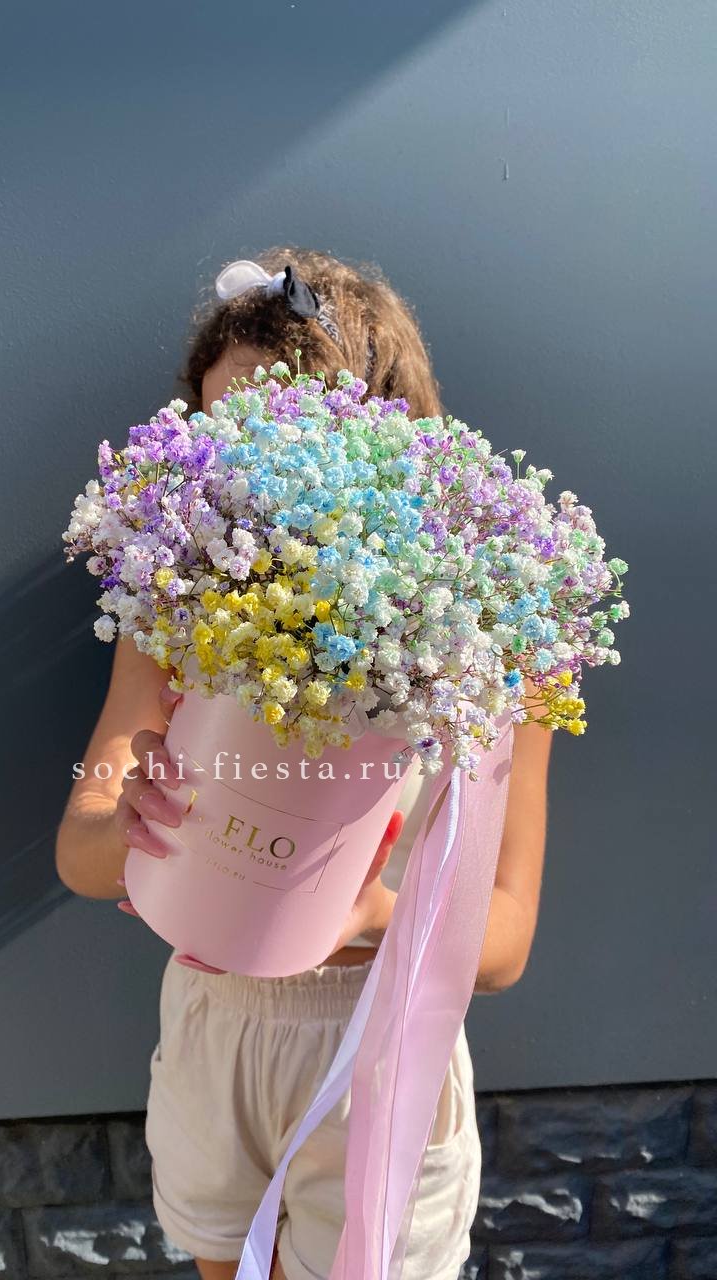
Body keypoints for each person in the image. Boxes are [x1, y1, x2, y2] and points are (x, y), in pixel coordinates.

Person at [55, 246, 553, 1280]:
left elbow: (504, 943)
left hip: (382, 1035)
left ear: (381, 421)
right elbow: (83, 851)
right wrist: (128, 828)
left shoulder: (499, 634)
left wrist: (373, 913)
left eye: (281, 423)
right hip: (217, 1031)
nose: (240, 459)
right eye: (219, 426)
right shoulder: (170, 613)